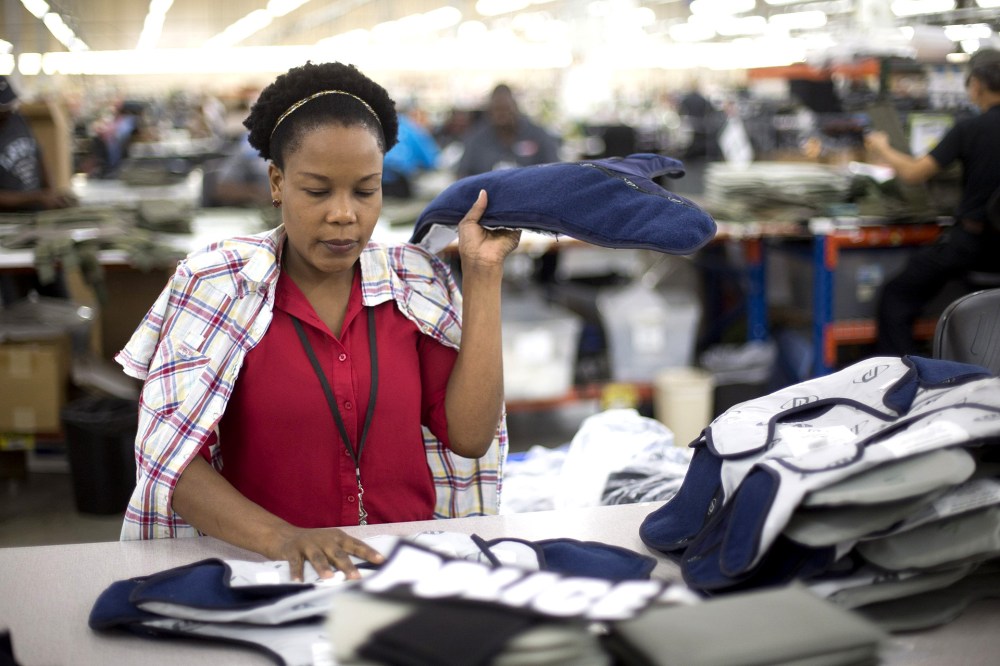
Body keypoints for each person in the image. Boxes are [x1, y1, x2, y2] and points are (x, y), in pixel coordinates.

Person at [115, 61, 521, 581]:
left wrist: (483, 274)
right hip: (269, 575)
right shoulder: (219, 286)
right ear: (277, 183)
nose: (344, 213)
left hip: (409, 572)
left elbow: (469, 435)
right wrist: (282, 539)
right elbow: (169, 458)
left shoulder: (417, 284)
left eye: (365, 190)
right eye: (317, 191)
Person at [864, 50, 1000, 356]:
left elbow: (913, 174)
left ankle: (903, 378)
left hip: (973, 246)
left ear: (976, 84)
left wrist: (883, 149)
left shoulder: (969, 128)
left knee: (895, 297)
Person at [0, 75, 76, 211]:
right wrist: (37, 197)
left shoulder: (16, 118)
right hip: (9, 220)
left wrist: (52, 192)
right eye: (2, 109)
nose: (8, 112)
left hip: (35, 212)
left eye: (10, 106)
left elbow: (38, 154)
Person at [455, 83, 560, 178]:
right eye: (497, 110)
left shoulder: (537, 135)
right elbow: (462, 173)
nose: (502, 115)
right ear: (489, 112)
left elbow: (555, 168)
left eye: (506, 109)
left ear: (515, 107)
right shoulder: (476, 139)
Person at [381, 107, 440, 199]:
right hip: (399, 183)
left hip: (374, 184)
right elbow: (430, 161)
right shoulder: (410, 128)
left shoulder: (373, 126)